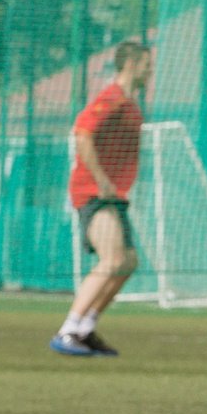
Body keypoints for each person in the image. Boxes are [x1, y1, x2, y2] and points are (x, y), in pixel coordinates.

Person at [54, 39, 150, 357]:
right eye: (147, 63)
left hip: (113, 195)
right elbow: (82, 132)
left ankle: (85, 329)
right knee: (111, 261)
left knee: (127, 262)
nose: (151, 70)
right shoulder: (112, 97)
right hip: (93, 192)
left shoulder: (132, 106)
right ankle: (68, 330)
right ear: (132, 64)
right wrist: (101, 180)